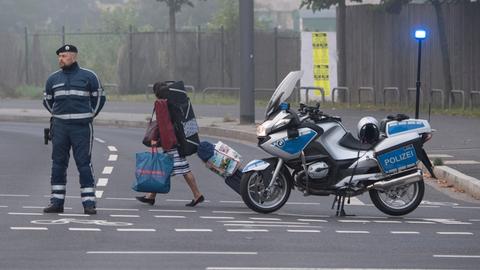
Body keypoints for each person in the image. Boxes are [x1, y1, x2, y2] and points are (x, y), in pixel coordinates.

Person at [42, 44, 106, 214]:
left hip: (82, 128)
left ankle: (89, 203)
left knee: (83, 164)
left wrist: (89, 114)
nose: (60, 59)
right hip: (60, 127)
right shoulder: (53, 79)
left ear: (74, 56)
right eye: (59, 56)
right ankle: (56, 202)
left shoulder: (89, 76)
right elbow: (47, 100)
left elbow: (99, 97)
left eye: (64, 55)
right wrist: (58, 115)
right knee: (58, 164)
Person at [136, 82, 204, 207]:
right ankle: (151, 196)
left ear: (157, 94)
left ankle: (197, 194)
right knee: (169, 169)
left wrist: (158, 140)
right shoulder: (175, 103)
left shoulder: (162, 105)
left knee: (172, 169)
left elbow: (164, 127)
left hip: (173, 143)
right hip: (179, 140)